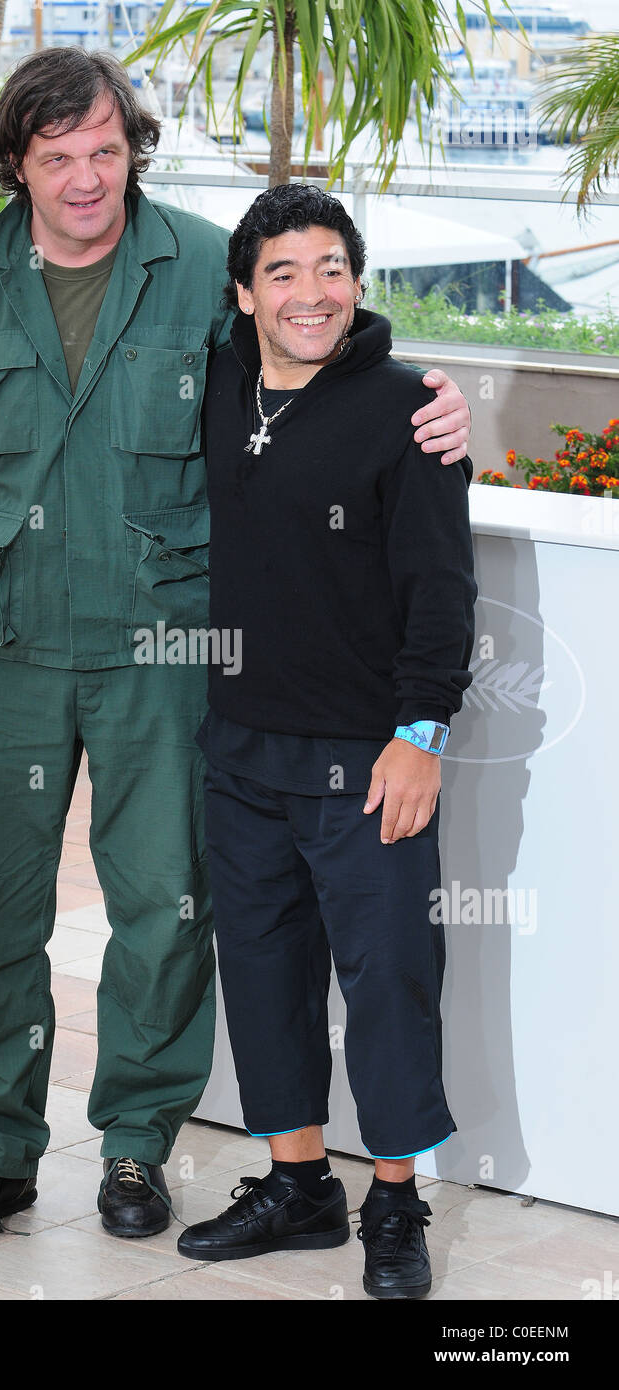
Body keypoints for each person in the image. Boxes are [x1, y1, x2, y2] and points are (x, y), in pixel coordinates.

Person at [0, 47, 473, 1247]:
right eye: (57, 157)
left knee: (164, 910)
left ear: (131, 150)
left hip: (165, 648)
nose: (85, 179)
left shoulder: (199, 264)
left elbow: (308, 338)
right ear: (17, 165)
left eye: (105, 150)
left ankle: (135, 1144)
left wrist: (423, 396)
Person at [176, 185, 477, 1300]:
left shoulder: (408, 409)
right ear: (243, 293)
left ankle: (393, 1202)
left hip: (367, 755)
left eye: (331, 269)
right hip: (239, 743)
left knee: (389, 980)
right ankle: (297, 1185)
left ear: (357, 280)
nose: (311, 294)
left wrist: (419, 732)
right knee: (262, 972)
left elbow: (440, 589)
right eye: (284, 273)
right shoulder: (217, 387)